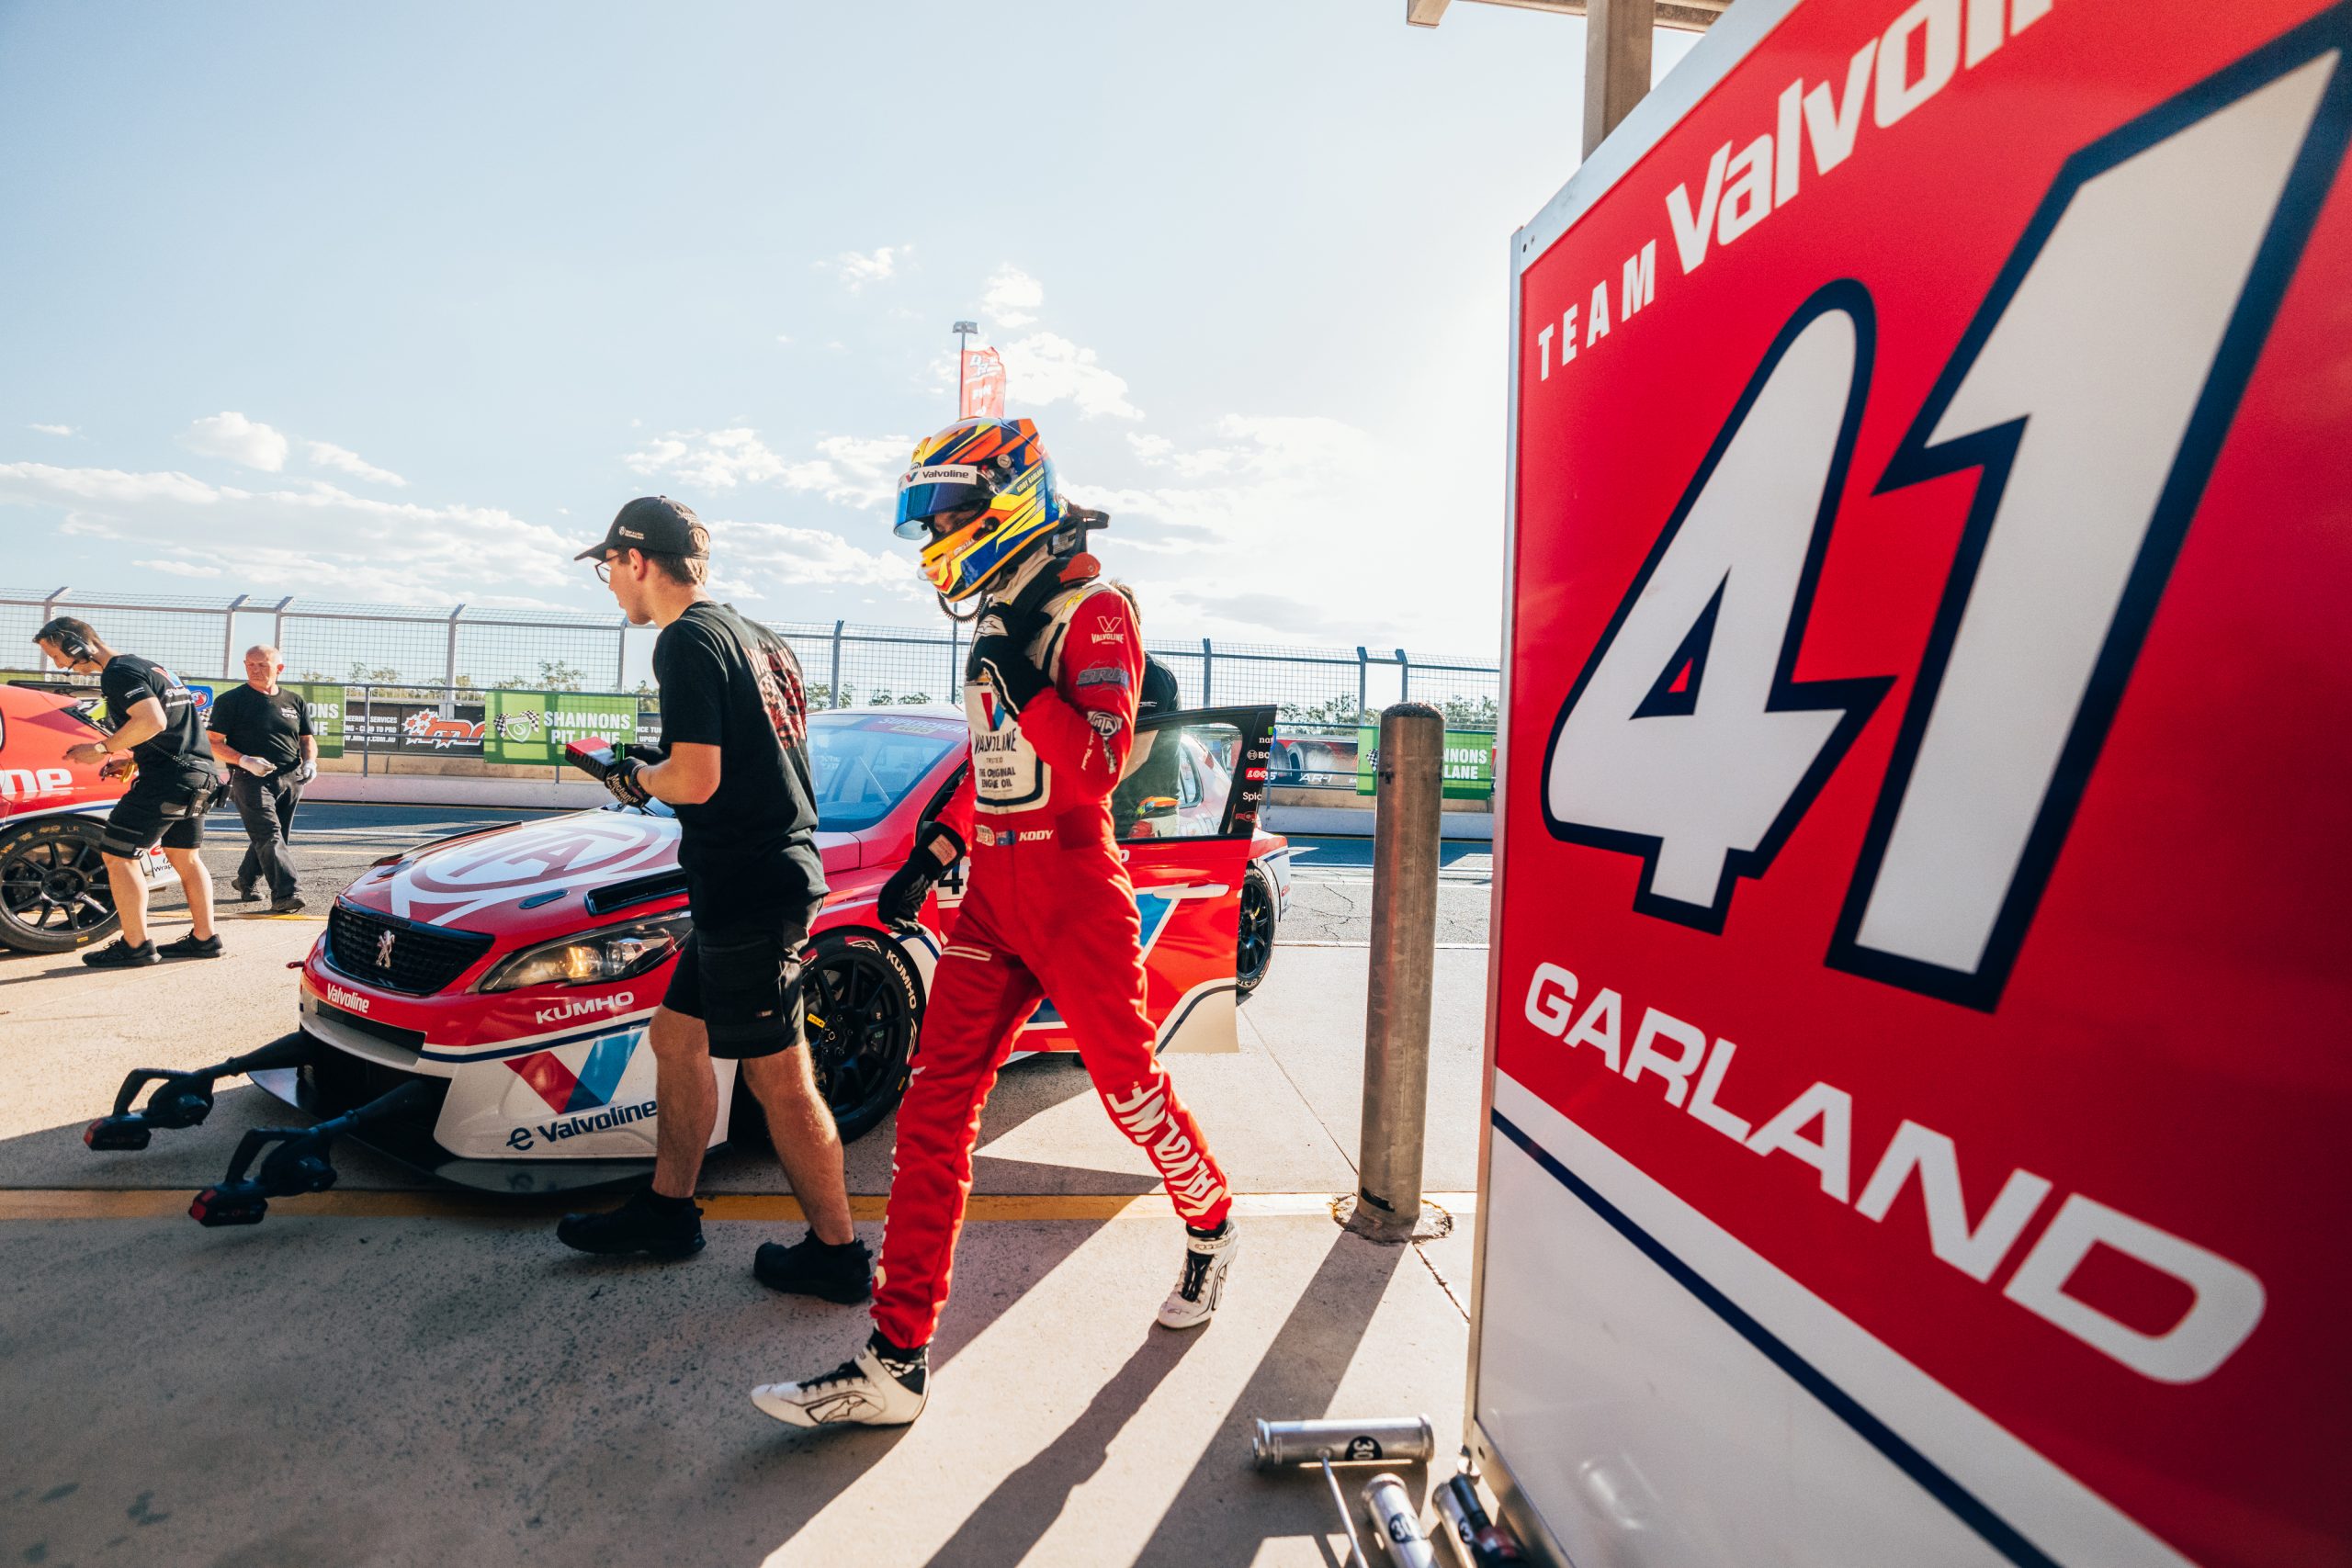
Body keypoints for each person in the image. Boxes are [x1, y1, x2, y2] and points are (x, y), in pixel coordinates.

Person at [752, 417, 1237, 1430]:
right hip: (992, 894)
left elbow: (1099, 767)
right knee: (933, 1116)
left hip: (1071, 885)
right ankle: (897, 1359)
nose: (935, 532)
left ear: (1008, 497)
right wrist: (934, 850)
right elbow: (993, 760)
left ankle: (1211, 1220)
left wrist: (1023, 683)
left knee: (1130, 1092)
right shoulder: (1003, 619)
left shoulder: (1092, 610)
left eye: (947, 509)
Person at [553, 496, 867, 1303]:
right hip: (758, 874)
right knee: (675, 1037)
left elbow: (696, 779)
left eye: (607, 568)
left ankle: (838, 1252)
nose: (609, 584)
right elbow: (739, 759)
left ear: (638, 561)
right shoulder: (756, 637)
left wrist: (635, 778)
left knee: (780, 1078)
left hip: (749, 885)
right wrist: (659, 766)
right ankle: (668, 1208)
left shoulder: (684, 640)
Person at [34, 616, 223, 966]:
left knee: (118, 856)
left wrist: (102, 749)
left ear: (75, 643)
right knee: (185, 856)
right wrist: (134, 758)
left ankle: (135, 946)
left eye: (57, 654)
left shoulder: (118, 673)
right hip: (199, 776)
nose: (59, 665)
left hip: (168, 780)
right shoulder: (146, 665)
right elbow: (171, 730)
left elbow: (153, 721)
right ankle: (204, 938)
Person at [206, 645, 317, 913]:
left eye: (263, 665)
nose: (255, 670)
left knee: (277, 836)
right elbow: (214, 742)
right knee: (269, 834)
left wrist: (311, 762)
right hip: (249, 778)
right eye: (250, 664)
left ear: (279, 668)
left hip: (291, 777)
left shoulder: (294, 700)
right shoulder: (231, 700)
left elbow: (307, 739)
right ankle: (286, 894)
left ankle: (245, 880)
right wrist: (245, 761)